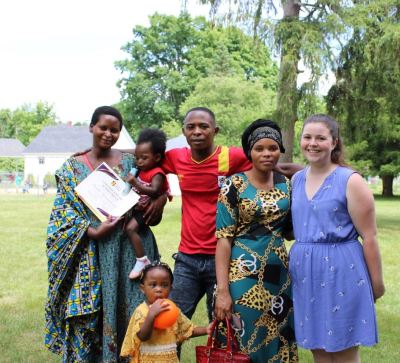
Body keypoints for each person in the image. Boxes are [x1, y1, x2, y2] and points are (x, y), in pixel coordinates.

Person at [44, 106, 165, 362]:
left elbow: (156, 175)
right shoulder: (72, 168)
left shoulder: (132, 162)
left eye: (115, 130)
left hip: (133, 249)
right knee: (92, 315)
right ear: (91, 127)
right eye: (103, 128)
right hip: (91, 250)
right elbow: (62, 213)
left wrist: (161, 199)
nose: (108, 134)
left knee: (136, 309)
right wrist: (94, 231)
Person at [289, 114, 385, 363]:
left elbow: (370, 237)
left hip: (342, 270)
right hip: (306, 274)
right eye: (307, 137)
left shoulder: (350, 180)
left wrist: (376, 284)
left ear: (334, 143)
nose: (312, 143)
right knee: (317, 348)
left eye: (321, 138)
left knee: (343, 350)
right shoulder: (297, 180)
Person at [214, 119, 298, 362]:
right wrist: (222, 291)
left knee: (278, 335)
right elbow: (223, 240)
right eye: (259, 148)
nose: (267, 153)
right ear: (249, 152)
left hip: (279, 276)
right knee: (245, 337)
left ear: (280, 150)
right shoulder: (234, 184)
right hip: (243, 274)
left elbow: (290, 231)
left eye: (272, 148)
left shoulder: (287, 184)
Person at [163, 107, 253, 321]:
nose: (197, 131)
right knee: (171, 323)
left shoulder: (231, 157)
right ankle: (167, 357)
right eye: (190, 127)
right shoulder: (176, 157)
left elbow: (267, 163)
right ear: (183, 131)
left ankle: (221, 356)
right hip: (187, 258)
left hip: (222, 258)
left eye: (204, 126)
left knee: (223, 325)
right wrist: (159, 193)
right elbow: (144, 158)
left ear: (215, 130)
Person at [120, 261, 211, 362]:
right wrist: (151, 315)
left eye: (164, 285)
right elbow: (142, 336)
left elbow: (187, 329)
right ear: (143, 288)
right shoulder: (142, 311)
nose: (159, 289)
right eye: (153, 285)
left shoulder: (172, 309)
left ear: (171, 288)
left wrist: (206, 330)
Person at [125, 128, 170, 279]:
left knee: (130, 229)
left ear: (157, 157)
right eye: (137, 157)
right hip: (140, 208)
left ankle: (142, 260)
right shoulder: (142, 168)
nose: (139, 161)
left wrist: (135, 183)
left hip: (148, 211)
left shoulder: (157, 172)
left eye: (143, 158)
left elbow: (155, 191)